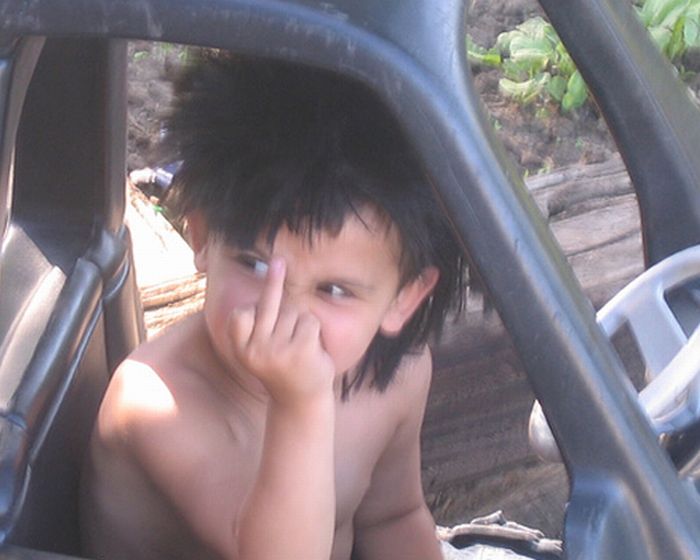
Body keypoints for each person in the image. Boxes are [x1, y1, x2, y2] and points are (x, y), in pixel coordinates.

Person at [81, 51, 466, 560]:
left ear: (404, 298)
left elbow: (393, 517)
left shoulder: (395, 376)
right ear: (202, 236)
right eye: (255, 265)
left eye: (334, 290)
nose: (282, 312)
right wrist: (301, 404)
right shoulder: (155, 403)